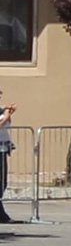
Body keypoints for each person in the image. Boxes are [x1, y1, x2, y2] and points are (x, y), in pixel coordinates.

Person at [0, 87, 16, 224]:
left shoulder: (2, 110)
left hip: (3, 148)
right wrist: (5, 119)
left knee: (2, 182)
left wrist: (8, 112)